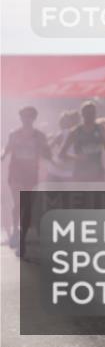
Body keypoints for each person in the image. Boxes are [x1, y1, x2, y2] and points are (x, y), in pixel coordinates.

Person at [1, 106, 51, 255]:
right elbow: (7, 149)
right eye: (24, 116)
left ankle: (25, 231)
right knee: (17, 203)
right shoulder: (14, 134)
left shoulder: (39, 136)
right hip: (16, 173)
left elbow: (46, 153)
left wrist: (48, 153)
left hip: (31, 174)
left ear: (33, 118)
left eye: (29, 116)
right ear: (20, 118)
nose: (26, 119)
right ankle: (15, 231)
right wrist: (2, 156)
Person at [59, 101, 105, 182]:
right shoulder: (75, 131)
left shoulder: (100, 129)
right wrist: (77, 157)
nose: (91, 115)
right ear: (82, 114)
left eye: (93, 112)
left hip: (97, 174)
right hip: (81, 175)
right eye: (88, 113)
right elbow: (61, 154)